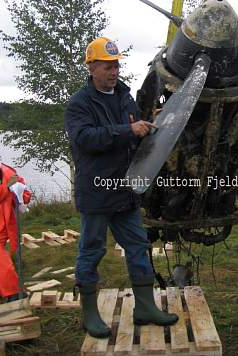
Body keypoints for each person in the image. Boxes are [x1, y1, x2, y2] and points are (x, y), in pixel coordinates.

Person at [64, 36, 178, 338]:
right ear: (91, 68)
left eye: (115, 65)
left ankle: (144, 308)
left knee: (138, 246)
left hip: (125, 189)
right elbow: (85, 139)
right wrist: (128, 130)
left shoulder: (125, 96)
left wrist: (148, 122)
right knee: (92, 251)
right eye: (106, 66)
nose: (113, 71)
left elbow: (133, 129)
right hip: (97, 191)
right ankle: (89, 314)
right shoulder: (79, 103)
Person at [0, 150, 31, 302]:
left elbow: (22, 185)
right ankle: (5, 291)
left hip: (3, 220)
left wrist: (23, 196)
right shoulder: (6, 179)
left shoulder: (7, 171)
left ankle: (12, 292)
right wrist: (7, 188)